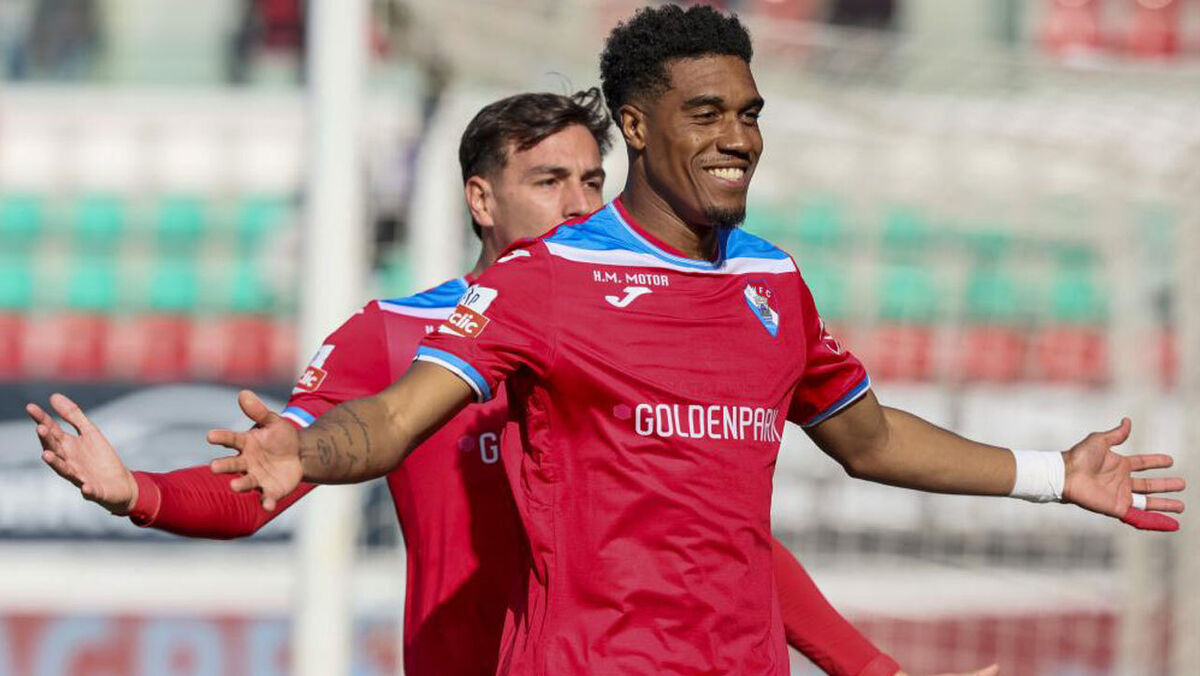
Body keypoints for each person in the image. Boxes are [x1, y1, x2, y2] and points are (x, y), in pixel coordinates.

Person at [172, 5, 1179, 674]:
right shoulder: (545, 279)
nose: (737, 137)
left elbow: (867, 438)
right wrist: (306, 449)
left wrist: (1053, 475)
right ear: (639, 128)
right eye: (706, 114)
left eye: (748, 113)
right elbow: (395, 420)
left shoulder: (771, 281)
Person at [26, 88, 970, 676]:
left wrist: (872, 670)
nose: (581, 204)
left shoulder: (644, 329)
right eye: (550, 182)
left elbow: (726, 548)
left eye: (593, 181)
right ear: (481, 199)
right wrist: (139, 492)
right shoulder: (393, 336)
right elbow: (260, 484)